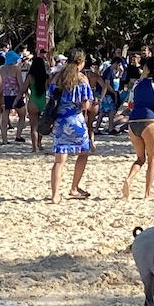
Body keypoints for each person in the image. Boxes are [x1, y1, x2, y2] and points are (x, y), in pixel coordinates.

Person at [123, 57, 154, 200]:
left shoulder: (136, 84)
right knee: (152, 159)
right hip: (149, 121)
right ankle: (147, 193)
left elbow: (130, 104)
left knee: (140, 158)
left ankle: (130, 179)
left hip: (133, 122)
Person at [49, 50, 93, 204]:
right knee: (84, 152)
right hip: (76, 120)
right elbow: (86, 104)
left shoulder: (57, 77)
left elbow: (51, 95)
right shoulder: (82, 79)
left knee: (59, 160)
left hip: (60, 121)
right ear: (80, 62)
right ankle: (74, 187)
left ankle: (55, 194)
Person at [14, 57, 49, 152]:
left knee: (33, 127)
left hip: (33, 101)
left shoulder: (30, 77)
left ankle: (34, 147)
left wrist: (17, 99)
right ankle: (40, 144)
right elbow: (48, 89)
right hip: (43, 101)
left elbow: (23, 89)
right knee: (41, 125)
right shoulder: (46, 77)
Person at [0, 50, 26, 144]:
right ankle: (18, 136)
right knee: (22, 115)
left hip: (4, 95)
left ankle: (4, 140)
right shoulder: (16, 69)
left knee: (4, 117)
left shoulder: (1, 69)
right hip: (15, 95)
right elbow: (20, 83)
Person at [95, 56, 121, 135]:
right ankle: (110, 128)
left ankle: (96, 128)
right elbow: (107, 84)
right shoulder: (109, 71)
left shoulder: (109, 70)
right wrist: (113, 92)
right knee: (112, 110)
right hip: (107, 94)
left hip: (104, 93)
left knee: (102, 112)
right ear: (116, 63)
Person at [84, 62, 107, 151]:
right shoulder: (94, 75)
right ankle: (92, 142)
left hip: (84, 98)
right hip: (94, 98)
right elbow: (105, 86)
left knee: (83, 123)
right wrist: (101, 98)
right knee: (90, 124)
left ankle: (84, 143)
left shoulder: (81, 75)